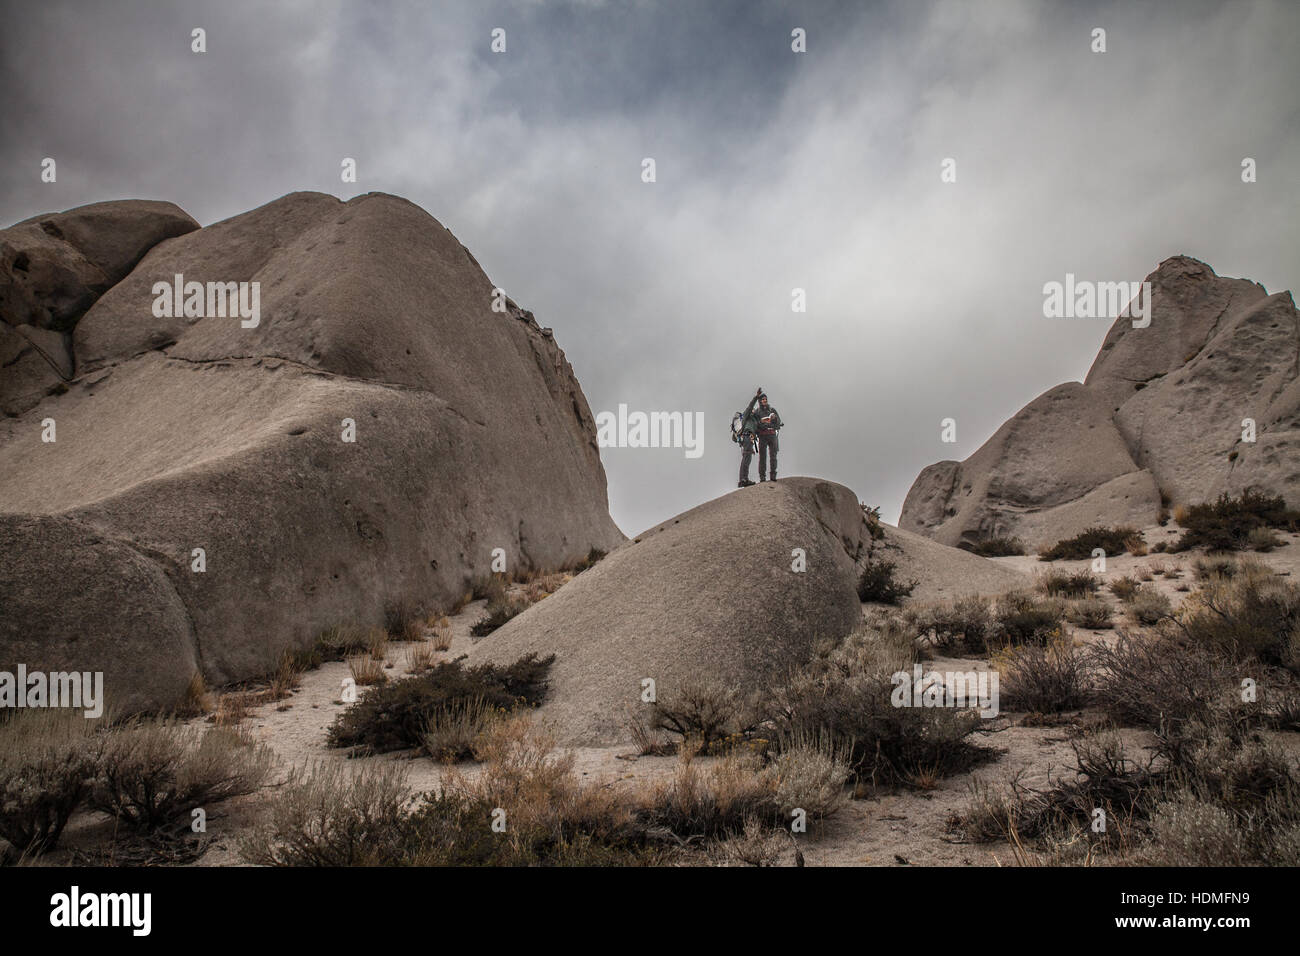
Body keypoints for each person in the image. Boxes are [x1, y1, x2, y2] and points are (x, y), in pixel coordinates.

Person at [754, 391, 783, 482]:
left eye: (766, 399)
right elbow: (755, 424)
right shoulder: (757, 412)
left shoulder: (772, 410)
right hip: (762, 436)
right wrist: (762, 423)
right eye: (763, 399)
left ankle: (773, 476)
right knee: (762, 457)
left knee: (773, 456)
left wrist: (774, 419)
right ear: (760, 401)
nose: (765, 401)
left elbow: (779, 423)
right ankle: (762, 477)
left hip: (772, 435)